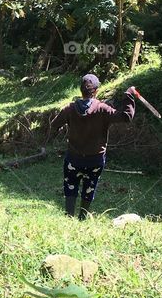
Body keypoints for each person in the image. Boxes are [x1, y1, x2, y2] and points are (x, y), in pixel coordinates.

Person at [46, 74, 136, 219]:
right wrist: (129, 95)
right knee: (90, 186)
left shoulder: (69, 109)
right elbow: (126, 116)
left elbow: (54, 125)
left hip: (73, 159)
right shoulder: (103, 109)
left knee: (71, 185)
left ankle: (69, 217)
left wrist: (66, 128)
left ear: (81, 90)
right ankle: (82, 217)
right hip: (95, 160)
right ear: (96, 91)